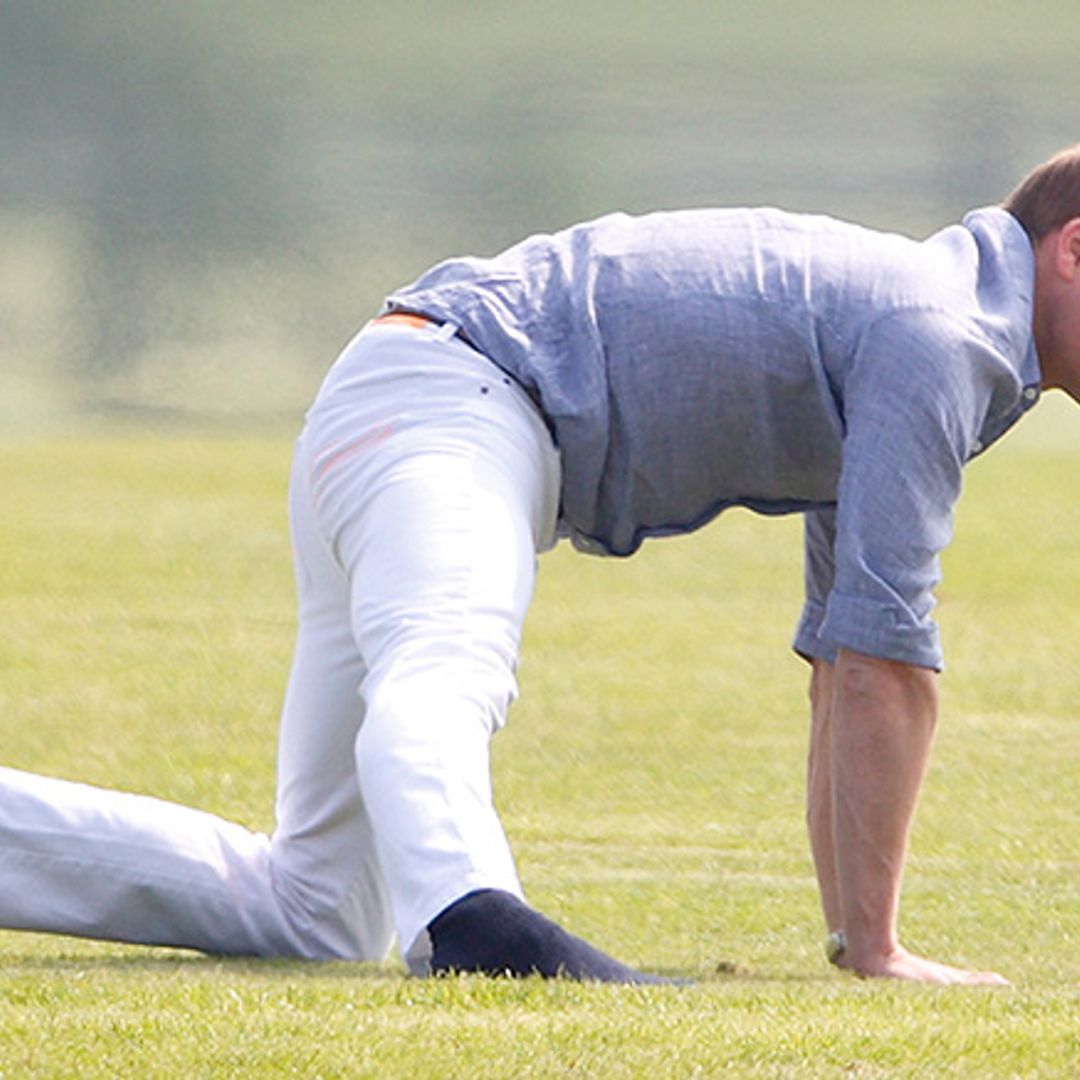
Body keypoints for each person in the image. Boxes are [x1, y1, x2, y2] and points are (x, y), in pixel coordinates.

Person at [3, 146, 1079, 987]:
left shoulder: (937, 332)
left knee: (319, 910)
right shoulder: (942, 334)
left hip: (419, 390)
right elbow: (881, 662)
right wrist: (884, 949)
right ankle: (477, 917)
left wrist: (858, 938)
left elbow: (846, 666)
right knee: (450, 657)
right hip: (459, 392)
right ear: (1071, 248)